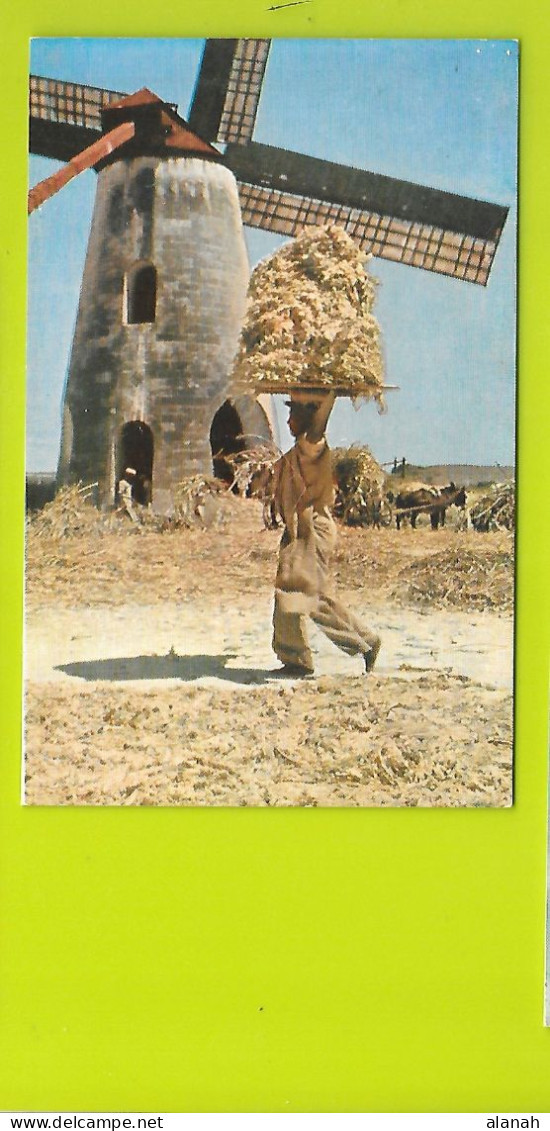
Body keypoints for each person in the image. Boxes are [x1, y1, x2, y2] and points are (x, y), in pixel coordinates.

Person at [271, 391, 381, 677]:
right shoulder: (297, 451)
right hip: (299, 530)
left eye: (293, 414)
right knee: (300, 592)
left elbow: (318, 425)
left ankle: (304, 657)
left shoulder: (312, 444)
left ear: (307, 419)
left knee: (297, 593)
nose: (287, 420)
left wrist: (328, 396)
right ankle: (362, 641)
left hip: (312, 529)